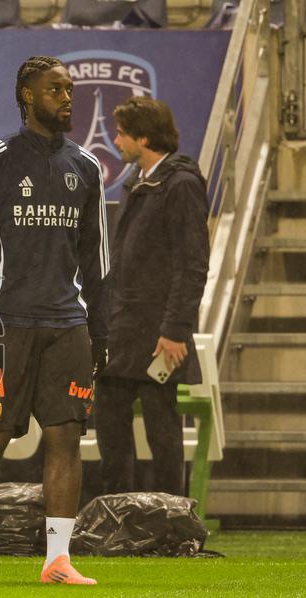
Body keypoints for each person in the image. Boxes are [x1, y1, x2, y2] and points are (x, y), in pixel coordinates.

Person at [0, 56, 109, 585]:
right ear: (26, 96)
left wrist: (99, 330)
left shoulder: (87, 167)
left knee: (66, 436)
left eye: (69, 90)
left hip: (67, 323)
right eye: (55, 90)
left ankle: (57, 557)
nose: (66, 98)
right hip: (4, 321)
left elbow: (95, 258)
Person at [95, 96, 209, 496]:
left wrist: (175, 330)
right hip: (122, 331)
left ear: (144, 138)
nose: (116, 140)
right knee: (110, 426)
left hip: (160, 335)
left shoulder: (181, 185)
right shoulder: (135, 182)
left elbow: (192, 265)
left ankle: (172, 521)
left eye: (122, 133)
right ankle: (115, 516)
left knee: (163, 433)